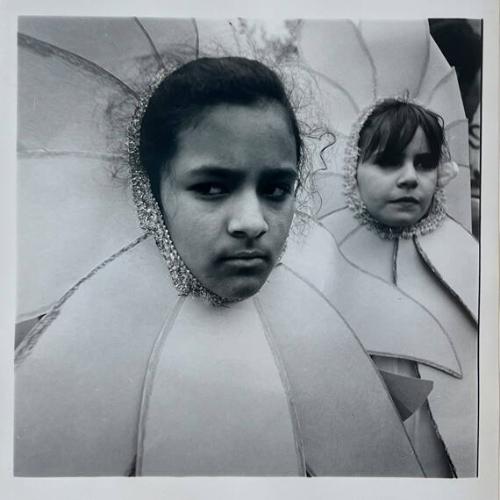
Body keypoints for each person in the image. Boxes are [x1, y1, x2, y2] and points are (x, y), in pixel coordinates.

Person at [15, 57, 428, 477]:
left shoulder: (323, 329)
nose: (252, 222)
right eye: (211, 188)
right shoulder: (83, 338)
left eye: (275, 189)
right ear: (153, 188)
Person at [315, 98, 479, 477]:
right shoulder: (325, 256)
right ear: (352, 167)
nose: (410, 178)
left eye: (424, 163)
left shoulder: (465, 257)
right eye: (388, 161)